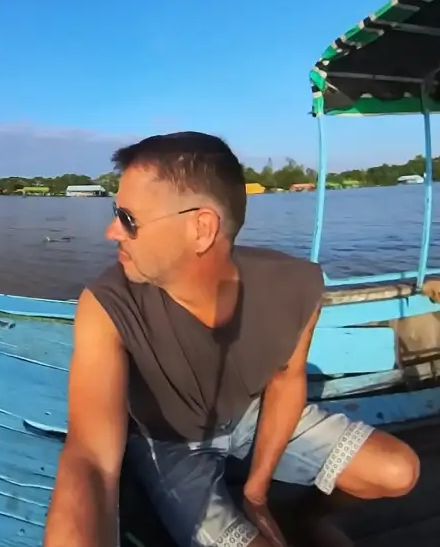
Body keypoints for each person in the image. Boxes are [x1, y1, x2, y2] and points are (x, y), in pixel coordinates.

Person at [43, 132, 420, 547]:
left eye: (129, 219)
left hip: (248, 417)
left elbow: (286, 381)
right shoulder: (108, 304)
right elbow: (91, 457)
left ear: (201, 228)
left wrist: (257, 492)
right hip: (171, 444)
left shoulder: (297, 284)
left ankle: (304, 516)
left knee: (398, 471)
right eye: (116, 213)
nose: (112, 232)